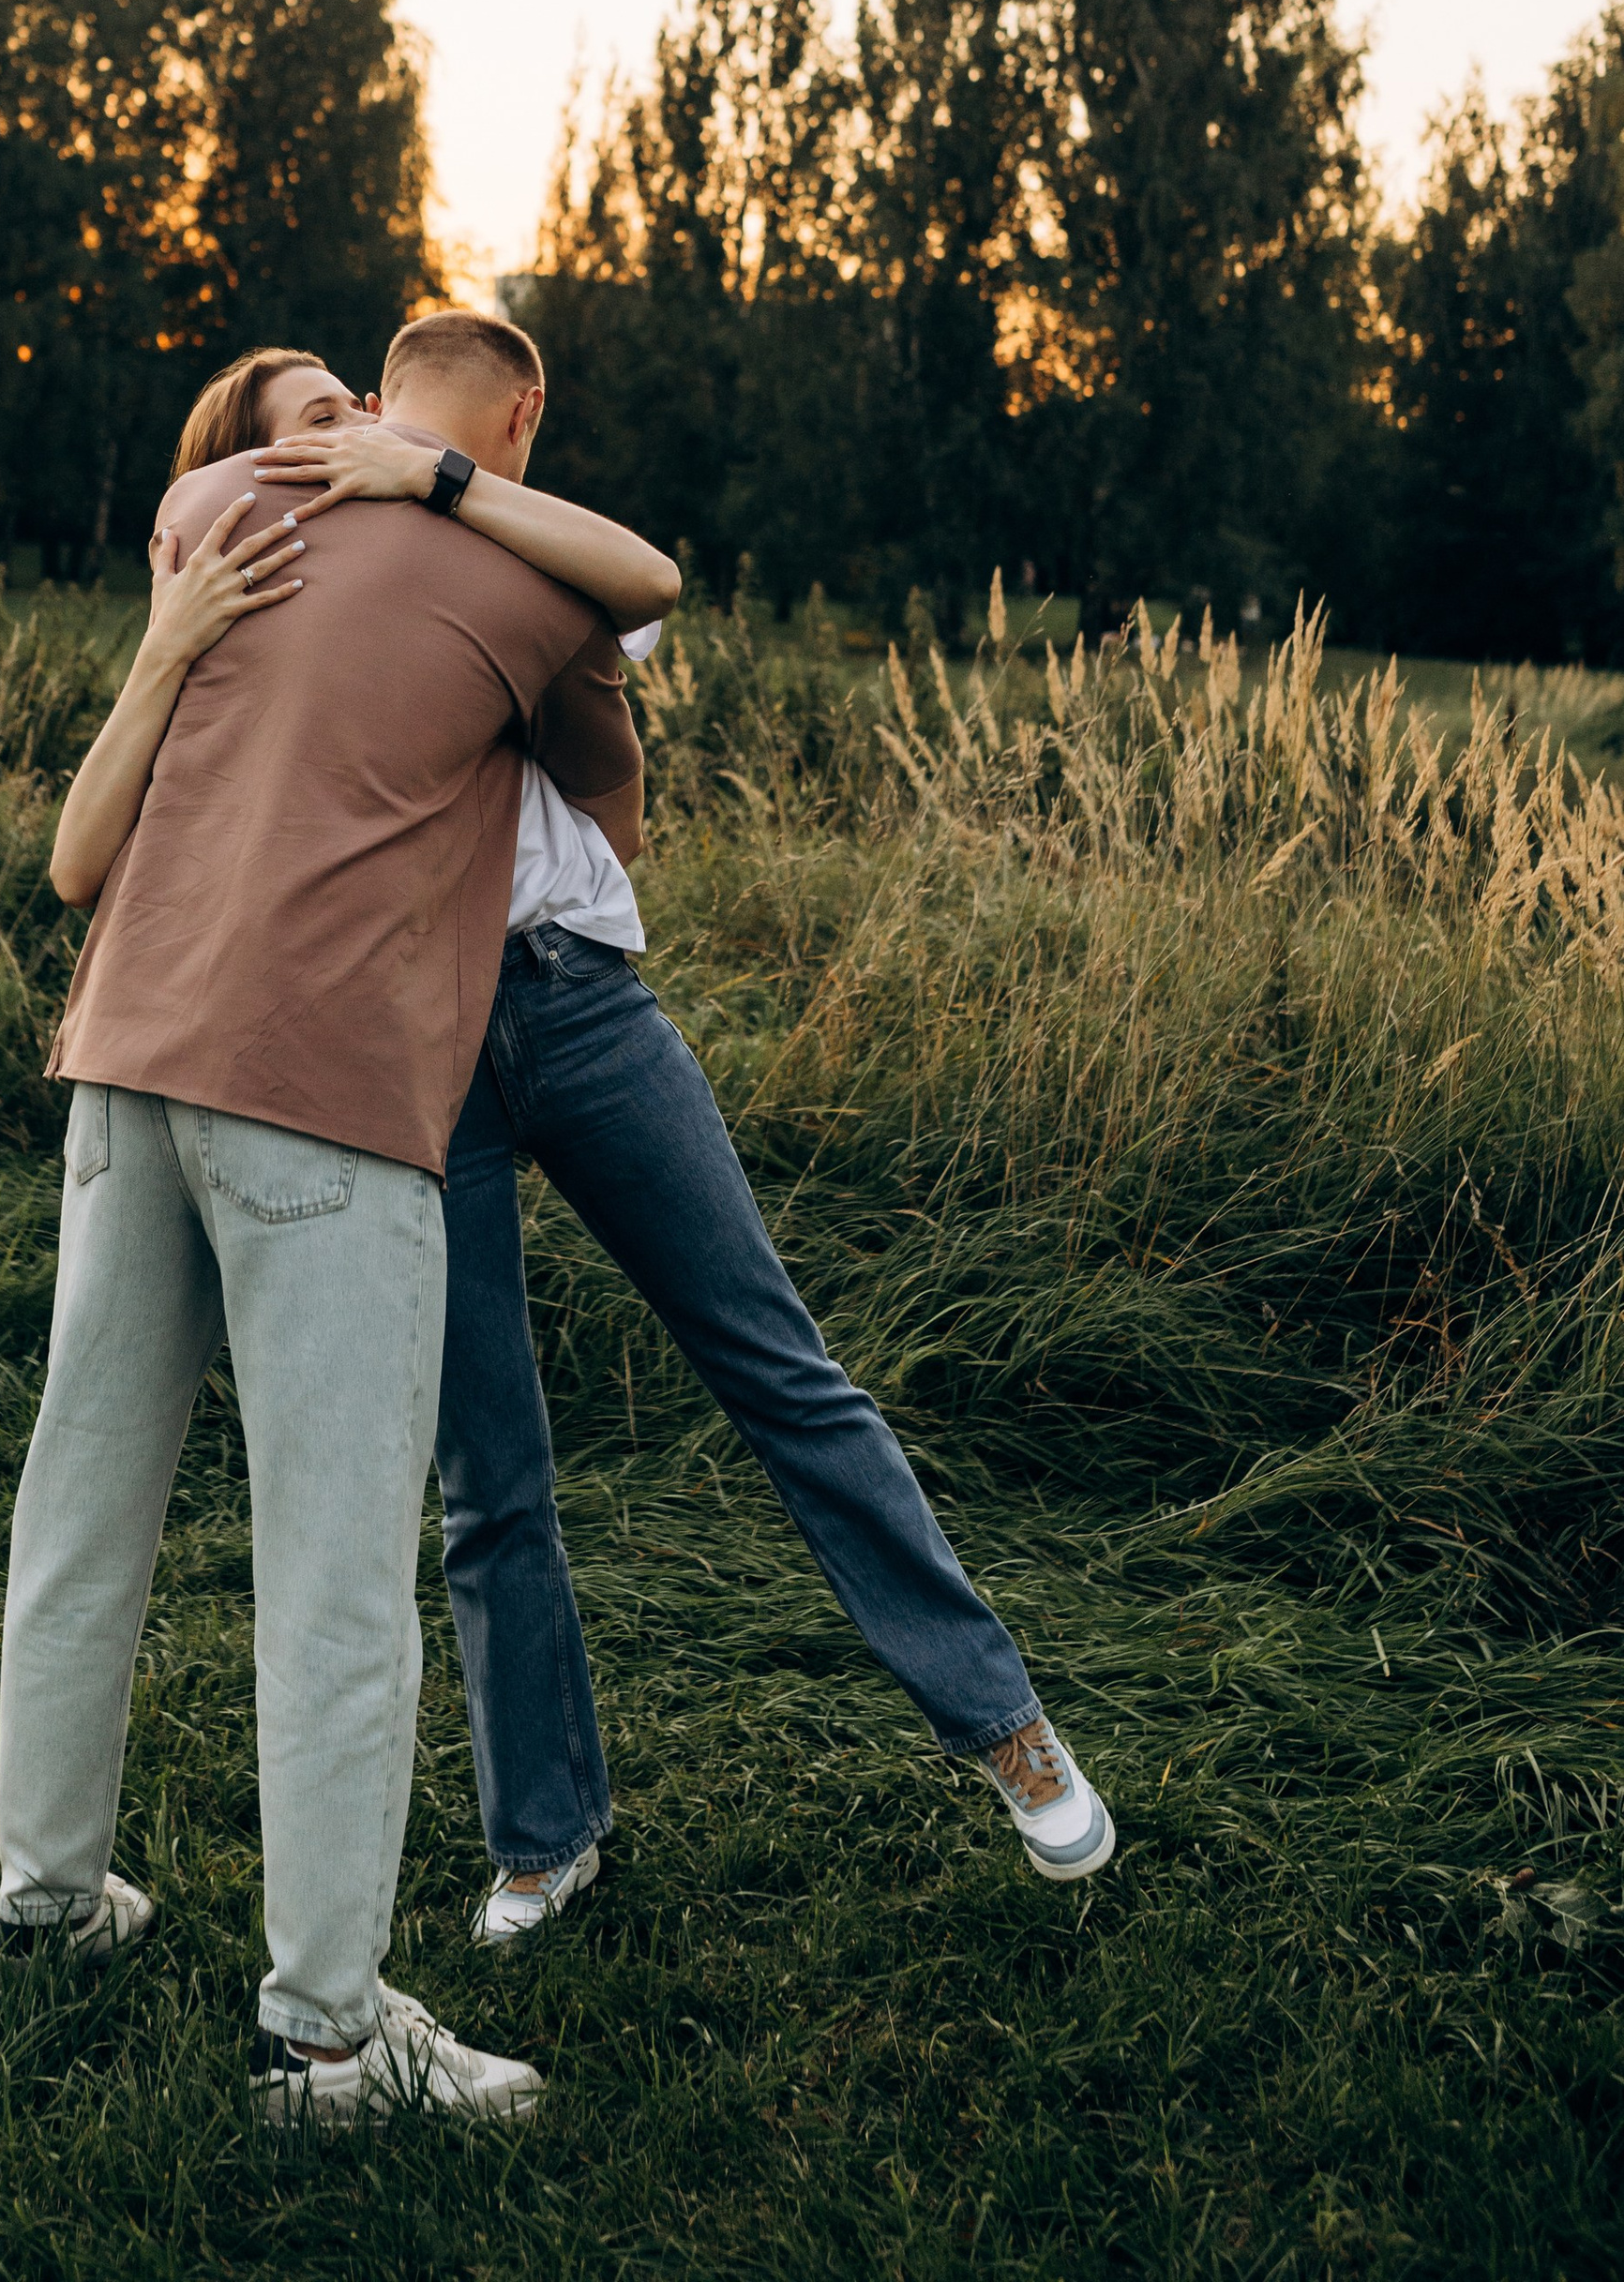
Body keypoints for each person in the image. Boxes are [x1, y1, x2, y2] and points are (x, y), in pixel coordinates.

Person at [242, 327, 1119, 1929]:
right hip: (419, 1041)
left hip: (578, 1007)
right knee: (483, 1462)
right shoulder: (321, 550)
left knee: (775, 1367)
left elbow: (645, 591)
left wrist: (447, 488)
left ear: (494, 429)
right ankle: (544, 1830)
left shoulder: (523, 546)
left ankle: (1007, 1729)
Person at [0, 324, 678, 2131]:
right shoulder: (523, 574)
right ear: (518, 420)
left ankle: (46, 1909)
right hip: (330, 1089)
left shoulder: (213, 504)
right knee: (341, 1577)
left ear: (375, 396)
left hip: (131, 1057)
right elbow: (613, 781)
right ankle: (327, 2039)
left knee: (83, 1505)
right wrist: (488, 521)